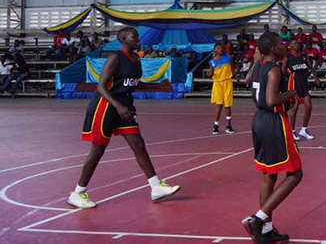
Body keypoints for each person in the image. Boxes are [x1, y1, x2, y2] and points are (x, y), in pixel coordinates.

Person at [68, 27, 180, 209]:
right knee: (97, 150)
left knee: (138, 144)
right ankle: (77, 193)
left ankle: (155, 186)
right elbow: (101, 87)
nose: (138, 39)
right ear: (124, 40)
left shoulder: (136, 59)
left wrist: (158, 86)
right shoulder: (115, 58)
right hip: (105, 106)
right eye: (134, 36)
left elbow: (134, 83)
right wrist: (118, 106)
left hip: (124, 105)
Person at [242, 32, 300, 243]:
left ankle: (265, 230)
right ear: (274, 48)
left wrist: (256, 61)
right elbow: (271, 100)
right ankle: (257, 220)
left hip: (258, 121)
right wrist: (291, 94)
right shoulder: (273, 69)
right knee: (295, 174)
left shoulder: (258, 66)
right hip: (274, 122)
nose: (284, 46)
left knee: (269, 175)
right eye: (280, 44)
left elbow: (248, 80)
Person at [286, 39, 320, 141]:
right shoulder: (288, 57)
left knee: (309, 106)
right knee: (294, 108)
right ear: (290, 46)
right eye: (295, 43)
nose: (297, 44)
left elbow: (311, 67)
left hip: (304, 84)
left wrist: (315, 77)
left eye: (298, 43)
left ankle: (304, 130)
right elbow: (283, 69)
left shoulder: (304, 56)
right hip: (294, 84)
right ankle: (292, 132)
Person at [205, 43, 235, 135]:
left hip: (227, 82)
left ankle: (228, 126)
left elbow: (232, 68)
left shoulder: (228, 58)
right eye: (218, 48)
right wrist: (210, 72)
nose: (220, 49)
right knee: (218, 105)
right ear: (215, 50)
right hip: (217, 84)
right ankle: (215, 126)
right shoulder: (212, 61)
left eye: (222, 47)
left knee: (227, 105)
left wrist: (236, 75)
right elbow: (209, 74)